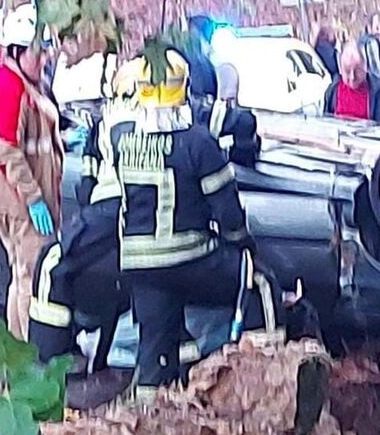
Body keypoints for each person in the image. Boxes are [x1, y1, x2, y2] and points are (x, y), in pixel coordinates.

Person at [96, 48, 278, 399]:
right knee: (259, 282)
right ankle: (266, 384)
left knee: (155, 350)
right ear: (183, 89)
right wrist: (242, 245)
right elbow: (227, 211)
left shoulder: (122, 140)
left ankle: (150, 413)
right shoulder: (198, 142)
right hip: (190, 259)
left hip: (138, 266)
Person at [0, 3, 63, 340]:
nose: (44, 59)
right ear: (16, 51)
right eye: (38, 52)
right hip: (20, 200)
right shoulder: (10, 86)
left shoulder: (16, 81)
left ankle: (18, 347)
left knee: (22, 275)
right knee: (30, 278)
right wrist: (34, 198)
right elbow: (8, 149)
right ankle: (28, 351)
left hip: (15, 197)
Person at [323, 43, 380, 126]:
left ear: (365, 66)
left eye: (357, 70)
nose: (352, 77)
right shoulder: (333, 92)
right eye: (347, 71)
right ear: (340, 69)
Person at [358, 13, 380, 78]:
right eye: (377, 28)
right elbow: (376, 72)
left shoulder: (360, 42)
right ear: (369, 27)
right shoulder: (371, 43)